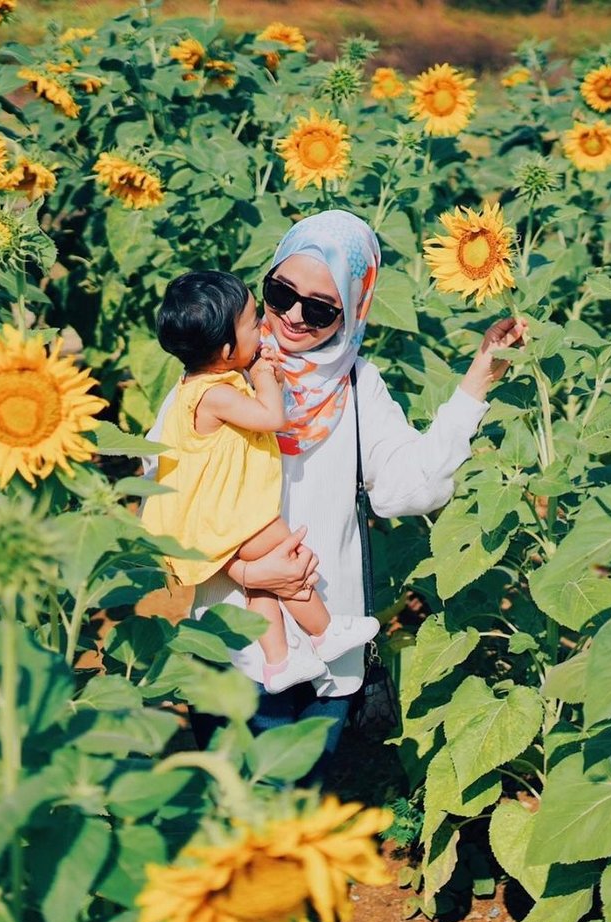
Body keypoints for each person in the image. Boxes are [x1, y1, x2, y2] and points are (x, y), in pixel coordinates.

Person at [147, 210, 526, 781]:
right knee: (237, 807)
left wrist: (477, 383)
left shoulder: (356, 384)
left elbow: (409, 489)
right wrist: (248, 575)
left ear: (354, 305)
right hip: (232, 634)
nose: (295, 317)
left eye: (321, 308)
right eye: (281, 294)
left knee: (296, 807)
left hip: (329, 637)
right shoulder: (216, 377)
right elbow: (164, 490)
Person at [141, 271, 380, 694]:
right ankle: (325, 633)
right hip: (234, 517)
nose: (263, 327)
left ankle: (279, 660)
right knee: (291, 561)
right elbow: (273, 418)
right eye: (253, 323)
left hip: (216, 520)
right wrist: (265, 377)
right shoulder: (215, 394)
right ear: (228, 349)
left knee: (264, 590)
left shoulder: (193, 386)